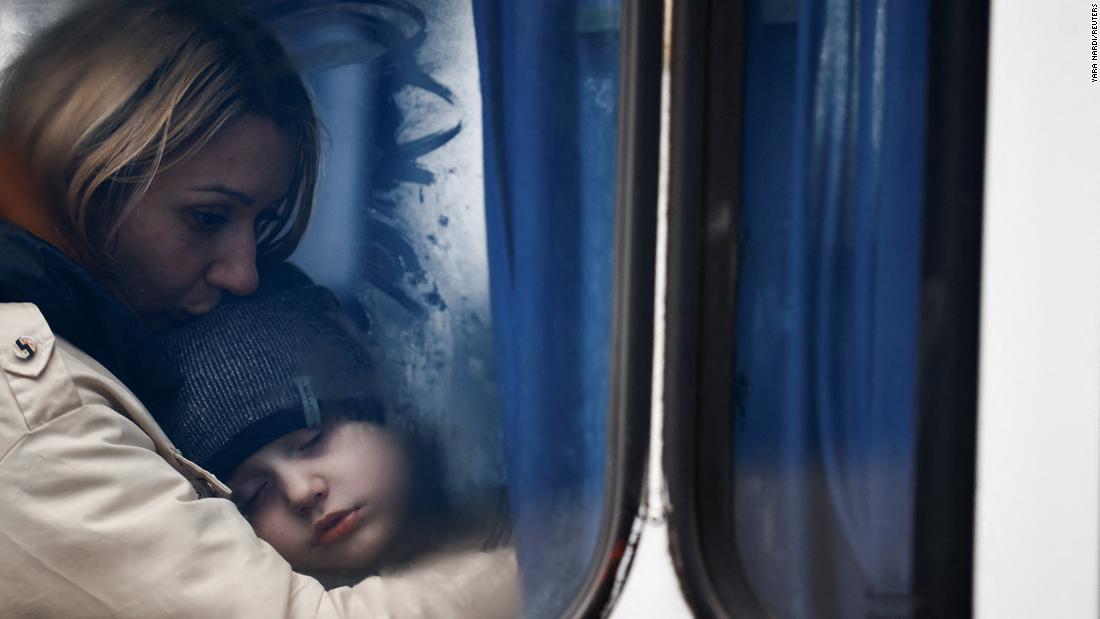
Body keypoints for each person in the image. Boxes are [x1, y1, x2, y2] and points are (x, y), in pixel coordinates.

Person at [0, 1, 515, 617]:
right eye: (206, 218)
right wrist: (570, 549)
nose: (243, 274)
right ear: (85, 181)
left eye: (259, 222)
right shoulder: (25, 399)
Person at [156, 284, 516, 592]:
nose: (301, 491)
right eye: (254, 496)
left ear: (383, 413)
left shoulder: (542, 518)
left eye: (313, 442)